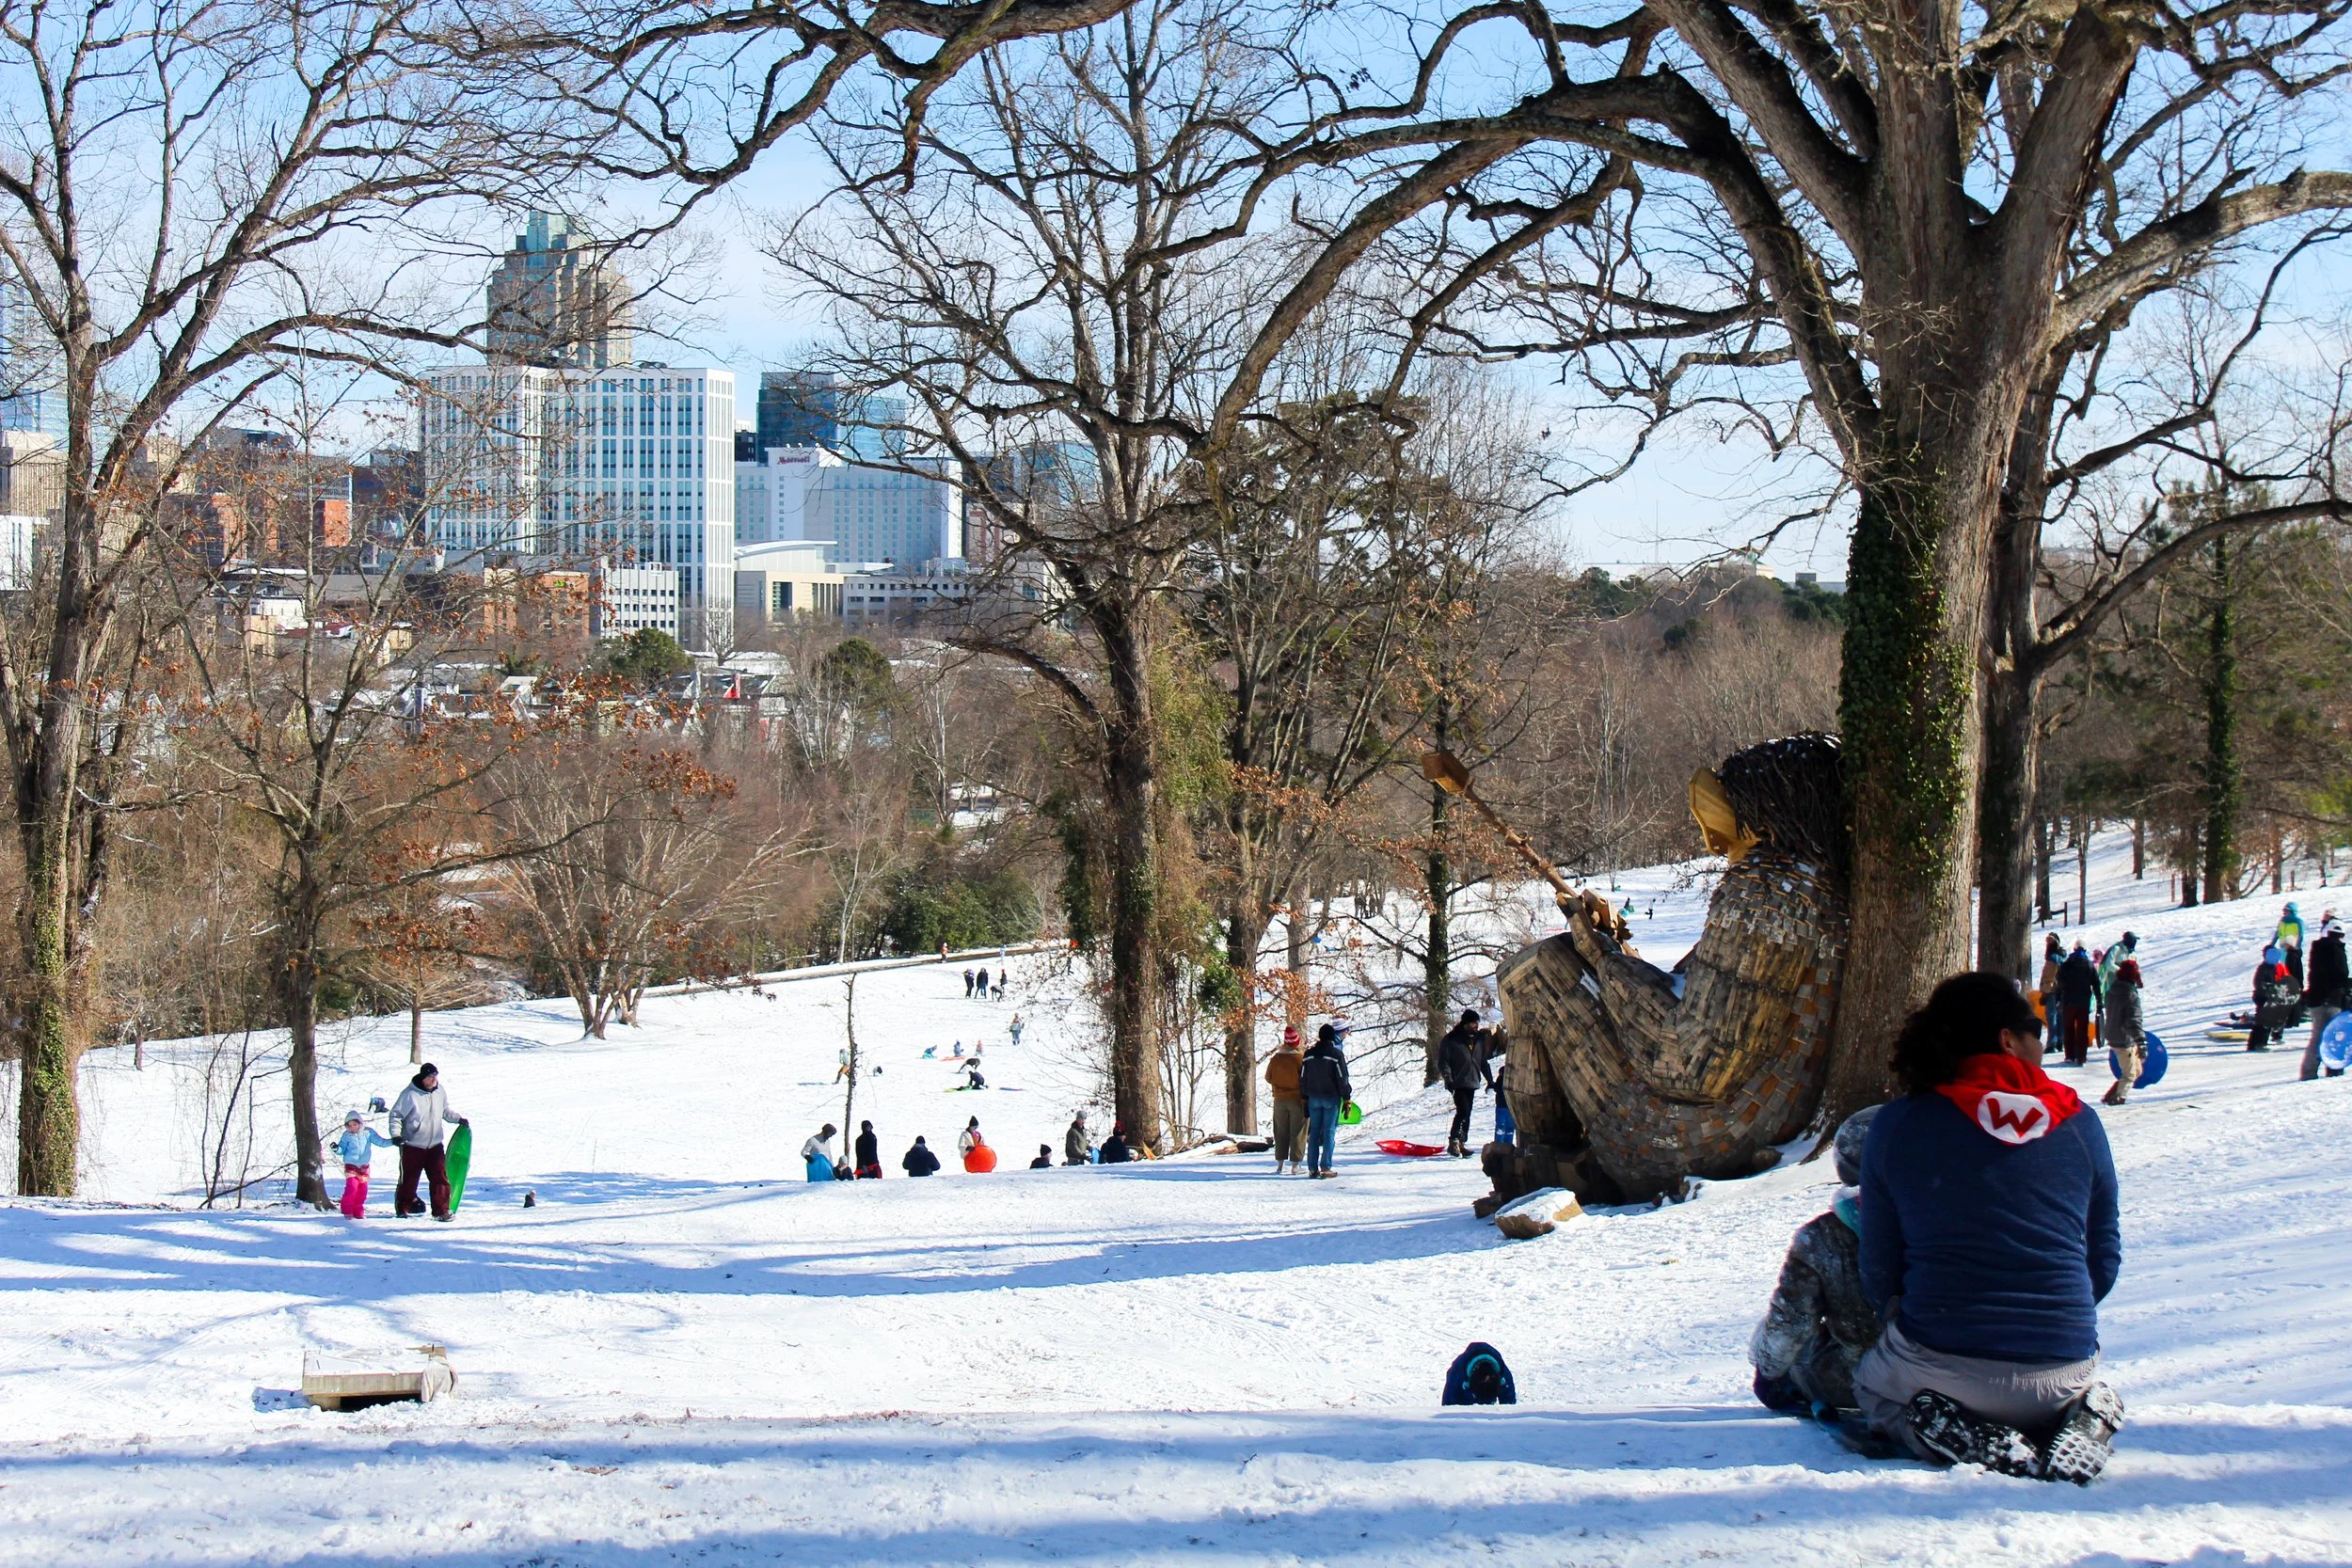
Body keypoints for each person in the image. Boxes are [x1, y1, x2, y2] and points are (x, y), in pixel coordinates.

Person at [1853, 972, 2125, 1483]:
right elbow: (2103, 1259)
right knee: (2066, 1385)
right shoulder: (2081, 1123)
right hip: (2062, 1364)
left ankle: (1962, 1433)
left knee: (1872, 1388)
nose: (2042, 1046)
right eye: (2036, 1033)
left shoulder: (1897, 1124)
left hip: (1943, 1360)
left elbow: (1879, 1269)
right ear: (2007, 1039)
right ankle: (2085, 1414)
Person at [1751, 1106, 1881, 1417]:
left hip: (1861, 1379)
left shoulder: (1822, 1238)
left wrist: (1767, 1375)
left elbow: (1791, 1323)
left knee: (1794, 1349)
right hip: (1955, 1370)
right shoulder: (1952, 1221)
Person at [389, 1062, 467, 1221]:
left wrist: (458, 1119)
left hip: (435, 1145)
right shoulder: (410, 1094)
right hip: (412, 1145)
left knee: (440, 1178)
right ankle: (403, 1207)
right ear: (423, 1077)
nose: (433, 1080)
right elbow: (396, 1115)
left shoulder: (440, 1091)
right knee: (409, 1179)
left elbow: (445, 1111)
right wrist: (396, 1134)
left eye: (435, 1076)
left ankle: (441, 1211)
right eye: (430, 1077)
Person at [1438, 1008, 1494, 1159]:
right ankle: (1454, 1141)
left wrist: (1490, 1080)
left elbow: (1483, 1062)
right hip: (1458, 1081)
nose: (1476, 1025)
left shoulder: (1479, 1040)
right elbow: (1444, 1062)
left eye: (1477, 1022)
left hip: (1473, 1080)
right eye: (1474, 1022)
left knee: (1467, 1113)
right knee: (1462, 1111)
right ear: (1466, 1023)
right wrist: (1448, 1079)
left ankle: (1462, 1141)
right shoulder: (1451, 1039)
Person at [1299, 1022, 1351, 1179]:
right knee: (1329, 1132)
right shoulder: (1336, 1055)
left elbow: (1302, 1078)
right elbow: (1342, 1077)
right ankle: (1325, 1166)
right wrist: (1347, 1098)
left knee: (1314, 1132)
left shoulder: (1308, 1055)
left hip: (1313, 1098)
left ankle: (1312, 1168)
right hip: (1331, 1098)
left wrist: (1304, 1098)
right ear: (1331, 1037)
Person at [2301, 913, 2349, 1080]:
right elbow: (2340, 974)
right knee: (2330, 1037)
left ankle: (2312, 1071)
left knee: (2319, 1036)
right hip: (2331, 1000)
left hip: (2316, 999)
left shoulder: (2317, 948)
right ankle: (2331, 1069)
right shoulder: (2335, 949)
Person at [330, 1111, 397, 1220]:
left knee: (362, 1191)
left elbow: (380, 1142)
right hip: (351, 1166)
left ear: (360, 1123)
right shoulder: (346, 1136)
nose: (352, 1127)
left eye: (354, 1124)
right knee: (352, 1187)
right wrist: (336, 1149)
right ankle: (347, 1210)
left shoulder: (368, 1133)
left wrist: (393, 1141)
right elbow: (342, 1149)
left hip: (364, 1167)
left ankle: (358, 1211)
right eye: (349, 1125)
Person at [2099, 959, 2146, 1106]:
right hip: (2124, 1039)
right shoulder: (2130, 994)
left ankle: (2112, 1093)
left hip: (2113, 1034)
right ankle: (2118, 1098)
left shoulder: (2112, 990)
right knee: (2130, 1075)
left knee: (2137, 1070)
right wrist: (2140, 1040)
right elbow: (2133, 1020)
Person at [1264, 1025, 1307, 1174]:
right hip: (1297, 1099)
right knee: (1298, 1131)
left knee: (1280, 1131)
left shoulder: (1276, 1059)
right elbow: (1305, 1079)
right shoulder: (1300, 1059)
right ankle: (1296, 1165)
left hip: (1279, 1100)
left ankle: (1280, 1164)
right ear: (1297, 1043)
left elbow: (1268, 1077)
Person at [2056, 942, 2101, 1067]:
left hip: (2069, 1001)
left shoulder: (2066, 964)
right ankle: (2082, 1057)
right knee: (2082, 1029)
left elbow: (2059, 982)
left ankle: (2069, 1055)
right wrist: (2099, 1000)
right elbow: (2096, 984)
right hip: (2083, 1002)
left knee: (2068, 1028)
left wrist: (2058, 998)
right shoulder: (2089, 965)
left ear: (2074, 949)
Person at [2247, 949, 2299, 1051]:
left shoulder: (2272, 968)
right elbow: (2259, 983)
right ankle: (2258, 1044)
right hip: (2263, 997)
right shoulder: (2264, 968)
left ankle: (2256, 1044)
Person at [2037, 934, 2065, 1053]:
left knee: (2051, 1017)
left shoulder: (2052, 959)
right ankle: (2060, 1041)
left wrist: (2044, 992)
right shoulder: (2062, 957)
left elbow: (2048, 978)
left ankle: (2051, 1043)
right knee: (2059, 1017)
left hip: (2052, 992)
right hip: (2061, 991)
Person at [2277, 903, 2307, 990]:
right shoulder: (2282, 920)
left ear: (2291, 911)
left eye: (2286, 910)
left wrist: (2297, 947)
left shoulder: (2298, 921)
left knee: (2295, 968)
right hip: (2283, 948)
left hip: (2293, 949)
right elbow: (2278, 933)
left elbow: (2301, 935)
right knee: (2284, 968)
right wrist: (2271, 944)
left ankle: (2297, 986)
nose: (2284, 912)